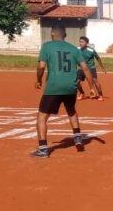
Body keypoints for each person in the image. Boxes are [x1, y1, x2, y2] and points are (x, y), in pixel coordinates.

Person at [33, 27, 93, 158]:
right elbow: (85, 68)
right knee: (71, 111)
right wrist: (91, 87)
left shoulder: (47, 46)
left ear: (52, 33)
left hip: (54, 87)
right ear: (65, 35)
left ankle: (43, 149)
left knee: (42, 117)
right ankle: (77, 136)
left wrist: (38, 80)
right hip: (71, 87)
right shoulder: (74, 49)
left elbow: (41, 66)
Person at [76, 36, 107, 100]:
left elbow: (98, 58)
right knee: (76, 82)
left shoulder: (91, 50)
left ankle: (100, 95)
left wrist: (102, 67)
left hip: (90, 68)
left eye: (82, 42)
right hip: (81, 69)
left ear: (87, 43)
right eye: (80, 42)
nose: (80, 43)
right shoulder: (77, 49)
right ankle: (82, 94)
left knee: (95, 80)